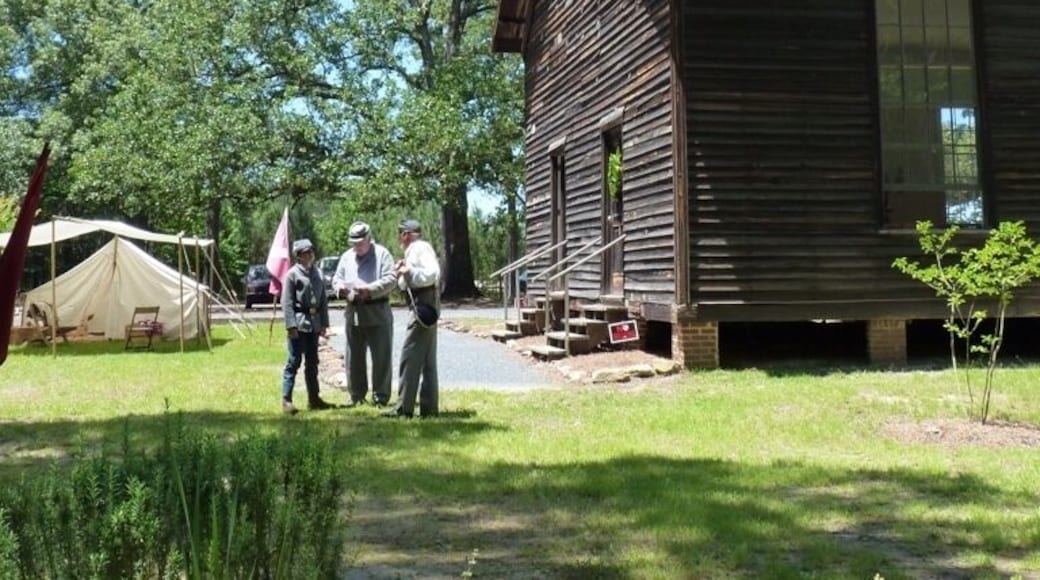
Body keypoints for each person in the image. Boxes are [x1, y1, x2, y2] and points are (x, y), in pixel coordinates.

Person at [331, 221, 397, 407]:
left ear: (369, 239)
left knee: (381, 358)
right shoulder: (346, 257)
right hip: (354, 312)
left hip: (377, 312)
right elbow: (337, 278)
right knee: (354, 358)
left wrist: (369, 289)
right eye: (353, 243)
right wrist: (340, 289)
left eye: (360, 243)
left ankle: (381, 396)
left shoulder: (382, 254)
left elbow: (391, 279)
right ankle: (356, 395)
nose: (356, 247)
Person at [385, 219, 441, 418]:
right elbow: (404, 283)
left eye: (401, 234)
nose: (400, 238)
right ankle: (429, 408)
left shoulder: (419, 248)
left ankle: (404, 408)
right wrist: (403, 270)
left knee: (409, 356)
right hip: (425, 306)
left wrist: (410, 271)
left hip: (422, 306)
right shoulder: (414, 251)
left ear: (405, 235)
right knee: (427, 360)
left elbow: (432, 273)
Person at [280, 238, 333, 414]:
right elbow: (287, 302)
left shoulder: (317, 273)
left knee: (312, 362)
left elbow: (323, 300)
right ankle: (286, 400)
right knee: (294, 361)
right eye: (306, 252)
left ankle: (314, 398)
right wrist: (291, 325)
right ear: (299, 255)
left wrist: (324, 323)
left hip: (314, 324)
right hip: (299, 323)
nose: (310, 255)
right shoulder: (292, 275)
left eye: (311, 251)